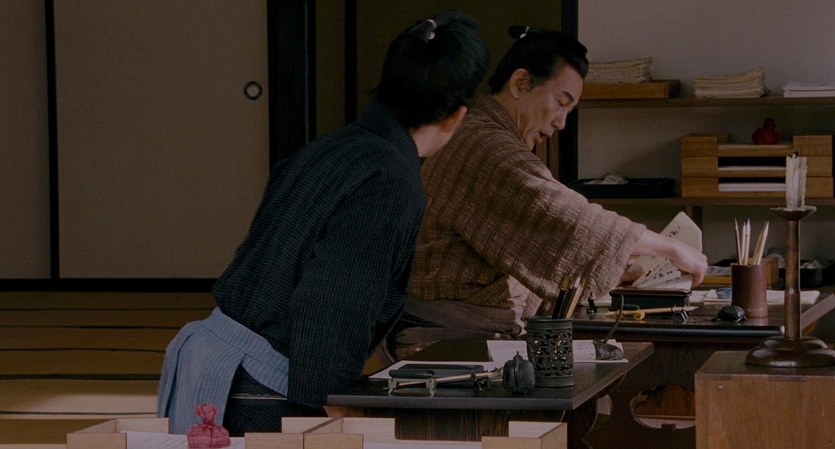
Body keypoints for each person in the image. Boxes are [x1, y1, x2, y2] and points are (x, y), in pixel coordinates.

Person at [157, 11, 488, 435]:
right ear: (457, 115)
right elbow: (333, 301)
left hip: (220, 363)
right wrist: (335, 407)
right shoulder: (390, 179)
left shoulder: (329, 149)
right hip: (259, 385)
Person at [387, 26, 707, 360]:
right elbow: (561, 213)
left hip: (465, 333)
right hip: (445, 345)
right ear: (520, 83)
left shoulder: (487, 136)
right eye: (560, 103)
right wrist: (670, 248)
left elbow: (537, 238)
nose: (561, 123)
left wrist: (611, 267)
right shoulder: (482, 143)